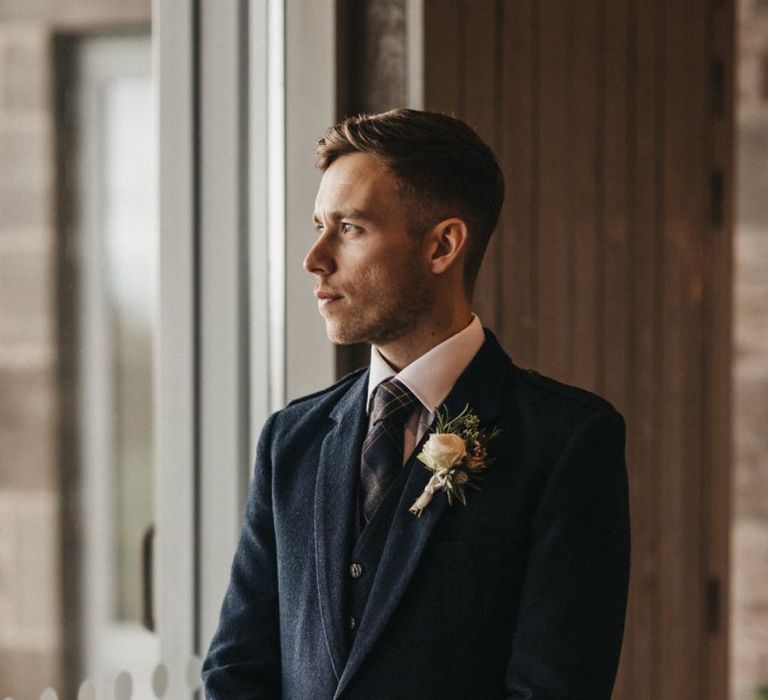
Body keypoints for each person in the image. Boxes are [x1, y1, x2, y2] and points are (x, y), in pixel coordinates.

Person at [202, 108, 630, 699]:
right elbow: (235, 672)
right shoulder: (291, 439)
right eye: (318, 225)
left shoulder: (566, 440)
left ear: (442, 246)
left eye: (350, 227)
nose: (315, 258)